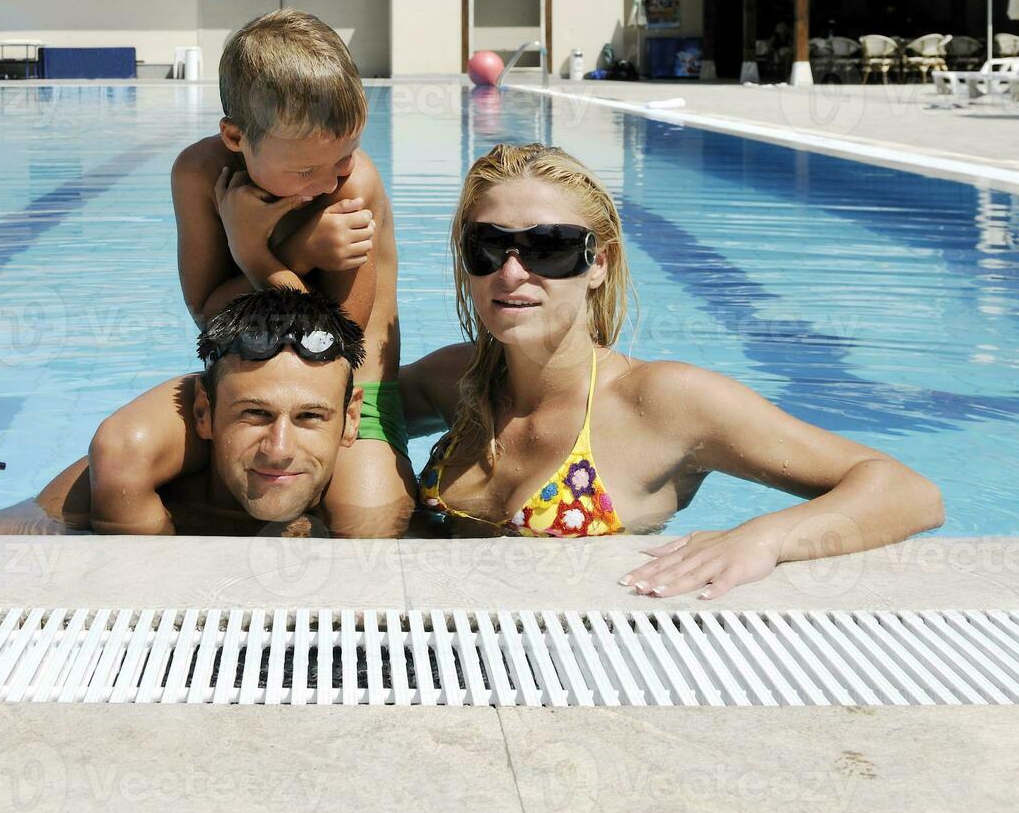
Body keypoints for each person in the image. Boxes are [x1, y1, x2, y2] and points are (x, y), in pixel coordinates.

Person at [398, 143, 944, 599]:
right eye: (488, 246)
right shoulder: (457, 378)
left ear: (598, 263)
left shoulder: (662, 402)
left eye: (550, 248)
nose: (513, 273)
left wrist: (764, 538)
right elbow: (335, 409)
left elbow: (908, 493)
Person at [169, 8, 413, 537]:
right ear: (235, 137)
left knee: (364, 526)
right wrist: (298, 255)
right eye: (304, 170)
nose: (327, 182)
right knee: (123, 456)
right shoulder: (198, 174)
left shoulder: (354, 188)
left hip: (350, 395)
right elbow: (206, 314)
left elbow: (334, 339)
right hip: (249, 385)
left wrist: (256, 248)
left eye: (343, 156)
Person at [0, 289, 367, 537]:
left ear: (350, 419)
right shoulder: (149, 493)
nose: (278, 450)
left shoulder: (373, 508)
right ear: (204, 413)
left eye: (310, 417)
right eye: (255, 414)